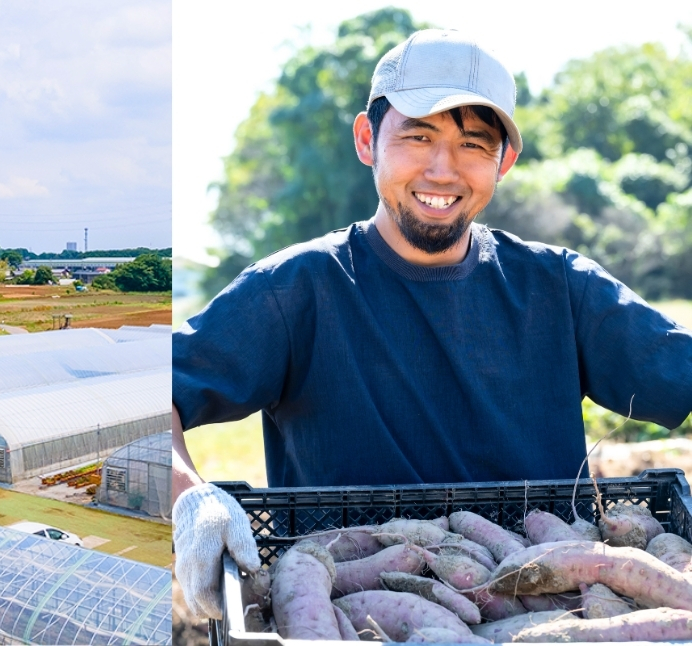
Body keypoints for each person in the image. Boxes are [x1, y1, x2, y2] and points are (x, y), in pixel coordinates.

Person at [171, 28, 692, 620]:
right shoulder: (294, 290)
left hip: (550, 605)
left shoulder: (560, 287)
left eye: (473, 144)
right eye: (418, 136)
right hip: (347, 606)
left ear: (505, 161)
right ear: (368, 140)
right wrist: (193, 502)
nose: (443, 170)